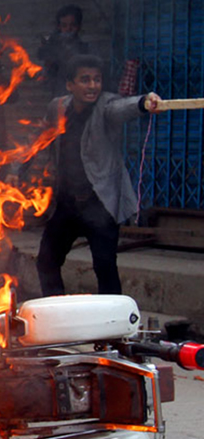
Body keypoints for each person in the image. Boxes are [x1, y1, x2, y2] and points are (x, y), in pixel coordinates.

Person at [27, 54, 162, 297]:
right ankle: (56, 311)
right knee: (47, 260)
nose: (92, 86)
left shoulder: (106, 106)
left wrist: (143, 102)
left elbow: (123, 108)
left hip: (100, 203)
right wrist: (19, 169)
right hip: (67, 204)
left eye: (97, 80)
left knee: (105, 266)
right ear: (70, 84)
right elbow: (38, 139)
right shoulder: (58, 106)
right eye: (85, 80)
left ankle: (112, 323)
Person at [37, 5, 92, 97]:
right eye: (64, 25)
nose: (68, 29)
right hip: (60, 95)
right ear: (59, 27)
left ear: (79, 26)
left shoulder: (86, 48)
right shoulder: (53, 47)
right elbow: (45, 78)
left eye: (73, 25)